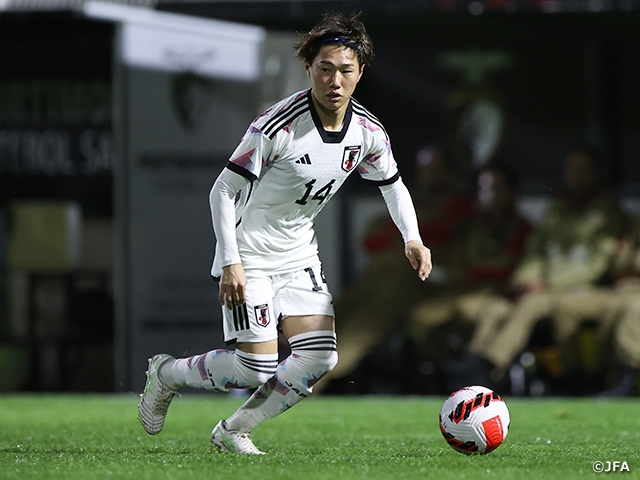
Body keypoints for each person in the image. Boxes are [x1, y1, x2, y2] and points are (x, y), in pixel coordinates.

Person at [137, 12, 432, 455]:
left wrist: (412, 237)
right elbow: (222, 190)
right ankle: (167, 375)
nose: (335, 81)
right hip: (250, 254)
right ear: (309, 69)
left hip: (298, 256)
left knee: (320, 357)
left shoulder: (368, 132)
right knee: (254, 369)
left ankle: (234, 430)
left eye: (346, 70)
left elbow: (392, 185)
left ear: (360, 73)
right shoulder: (278, 126)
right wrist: (231, 261)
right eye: (325, 68)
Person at [470, 147, 629, 384]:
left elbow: (595, 266)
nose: (576, 176)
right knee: (497, 307)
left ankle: (490, 366)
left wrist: (544, 284)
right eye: (571, 169)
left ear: (596, 173)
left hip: (582, 289)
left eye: (582, 170)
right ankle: (474, 363)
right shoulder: (557, 209)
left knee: (531, 305)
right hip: (544, 289)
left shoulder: (609, 213)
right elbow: (535, 252)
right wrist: (524, 281)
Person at [319, 144, 472, 389]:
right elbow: (372, 238)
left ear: (450, 173)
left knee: (358, 331)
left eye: (435, 170)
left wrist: (405, 238)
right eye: (424, 171)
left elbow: (441, 239)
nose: (428, 177)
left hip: (418, 285)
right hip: (377, 281)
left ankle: (313, 383)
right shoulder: (413, 201)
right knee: (332, 314)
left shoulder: (461, 208)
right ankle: (283, 368)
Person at [407, 164, 532, 390]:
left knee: (487, 312)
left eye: (495, 189)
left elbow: (509, 268)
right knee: (421, 318)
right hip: (459, 291)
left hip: (494, 293)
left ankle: (474, 370)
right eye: (483, 189)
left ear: (510, 193)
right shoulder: (468, 227)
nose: (488, 196)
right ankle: (447, 368)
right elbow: (454, 260)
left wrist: (472, 271)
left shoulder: (522, 229)